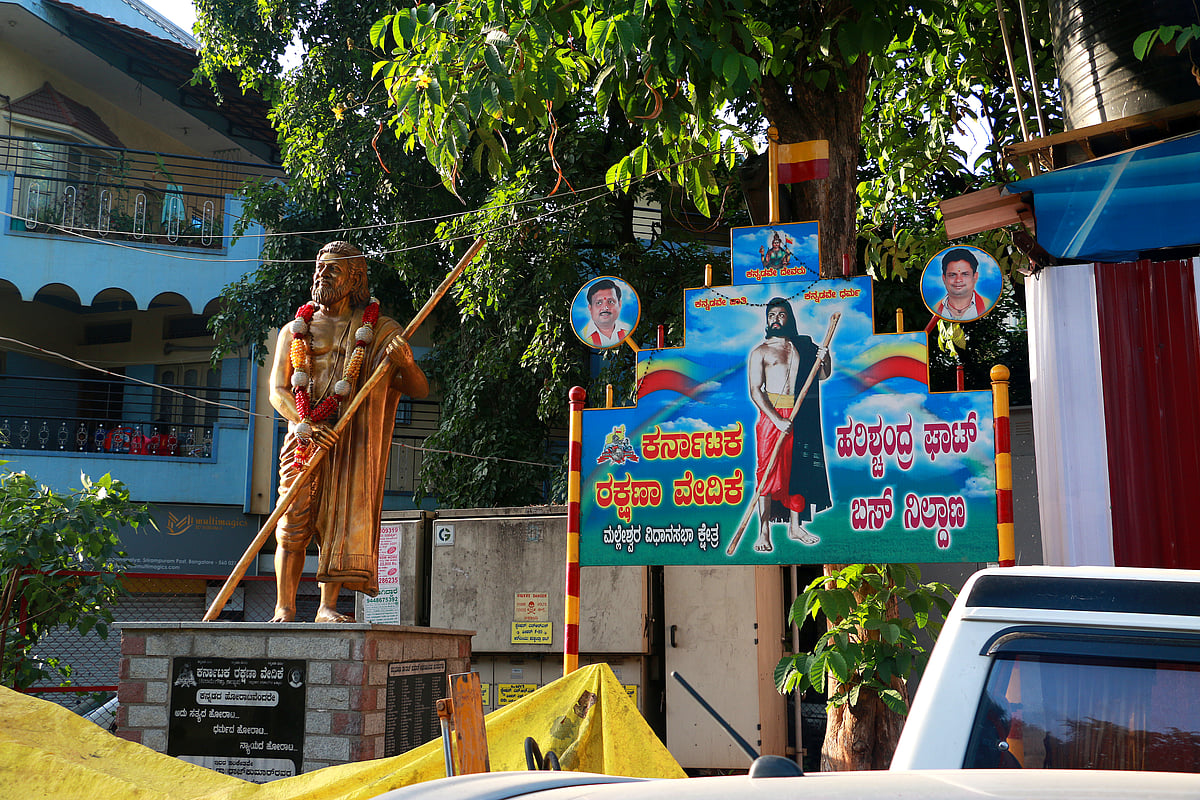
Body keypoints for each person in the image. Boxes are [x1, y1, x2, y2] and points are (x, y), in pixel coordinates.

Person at [268, 241, 428, 622]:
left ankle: (327, 607)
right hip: (305, 438)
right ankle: (283, 608)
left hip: (351, 440)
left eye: (333, 270)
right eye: (319, 269)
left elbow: (418, 389)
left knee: (339, 521)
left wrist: (405, 362)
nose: (322, 276)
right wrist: (304, 424)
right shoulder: (295, 330)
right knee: (291, 523)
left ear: (355, 277)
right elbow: (278, 390)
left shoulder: (379, 330)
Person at [746, 298, 832, 552]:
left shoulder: (802, 346)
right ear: (767, 320)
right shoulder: (760, 351)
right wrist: (776, 419)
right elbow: (755, 391)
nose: (776, 319)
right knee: (767, 472)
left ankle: (795, 527)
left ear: (789, 318)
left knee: (798, 470)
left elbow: (823, 375)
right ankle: (763, 532)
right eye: (771, 315)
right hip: (772, 416)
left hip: (799, 413)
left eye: (781, 315)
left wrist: (824, 359)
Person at [933, 248, 989, 321]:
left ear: (975, 277)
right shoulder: (935, 308)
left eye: (965, 274)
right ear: (944, 278)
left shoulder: (988, 304)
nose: (958, 280)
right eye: (952, 275)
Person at [580, 279, 628, 347]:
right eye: (599, 303)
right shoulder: (583, 335)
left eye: (611, 302)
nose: (605, 307)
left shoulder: (628, 330)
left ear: (619, 304)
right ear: (590, 308)